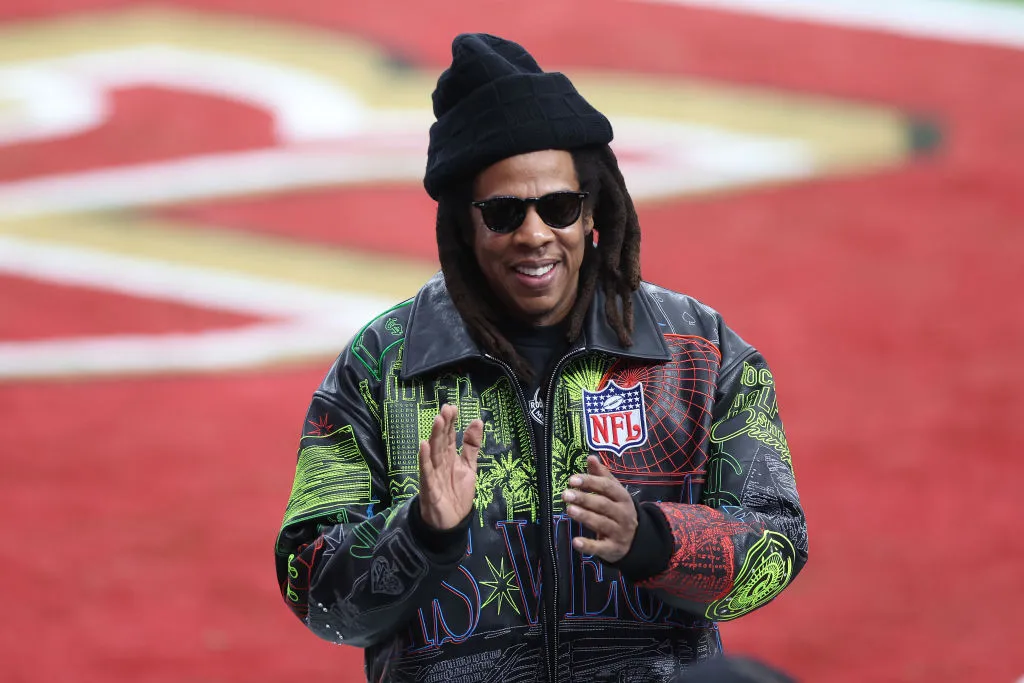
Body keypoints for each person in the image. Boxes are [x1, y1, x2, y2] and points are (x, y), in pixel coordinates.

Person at [275, 33, 808, 683]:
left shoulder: (698, 351)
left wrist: (652, 541)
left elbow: (778, 544)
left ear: (591, 211)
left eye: (557, 206)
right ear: (465, 226)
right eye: (503, 213)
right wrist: (419, 534)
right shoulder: (379, 366)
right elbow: (316, 597)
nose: (534, 234)